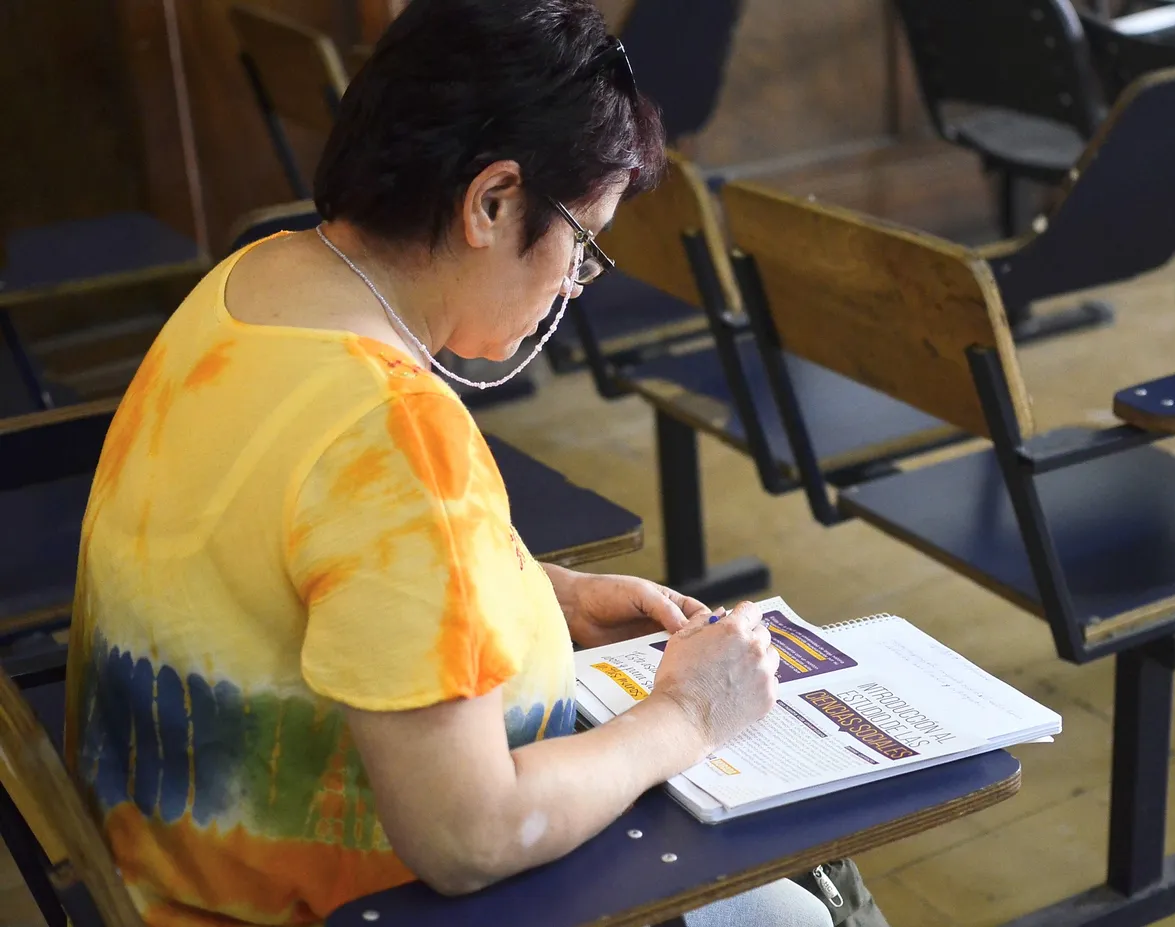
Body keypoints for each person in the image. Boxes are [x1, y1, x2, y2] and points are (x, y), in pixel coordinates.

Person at [63, 1, 834, 925]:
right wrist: (687, 717)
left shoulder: (249, 286)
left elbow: (295, 562)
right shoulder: (392, 427)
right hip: (318, 904)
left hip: (159, 871)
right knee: (795, 908)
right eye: (582, 244)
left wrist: (534, 591)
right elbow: (468, 839)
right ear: (493, 201)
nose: (573, 285)